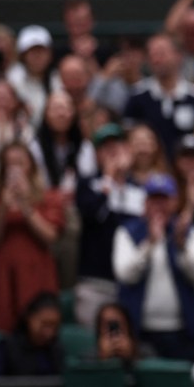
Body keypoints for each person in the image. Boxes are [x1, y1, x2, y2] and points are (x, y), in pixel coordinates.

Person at [112, 172, 194, 361]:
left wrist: (181, 246)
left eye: (164, 200)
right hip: (140, 330)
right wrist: (149, 245)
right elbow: (125, 275)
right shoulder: (127, 232)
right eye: (154, 200)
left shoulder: (189, 231)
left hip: (181, 331)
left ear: (173, 202)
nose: (159, 206)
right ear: (145, 202)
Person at [0, 141, 64, 333]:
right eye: (9, 164)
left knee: (36, 331)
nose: (14, 169)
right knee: (0, 330)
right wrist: (3, 207)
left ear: (31, 166)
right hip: (1, 275)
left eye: (19, 163)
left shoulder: (49, 198)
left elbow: (50, 237)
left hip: (36, 273)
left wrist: (26, 206)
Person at [74, 123, 146, 328]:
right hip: (95, 282)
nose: (113, 153)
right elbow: (92, 215)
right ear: (97, 154)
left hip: (130, 283)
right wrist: (108, 180)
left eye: (118, 147)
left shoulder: (140, 190)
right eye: (107, 148)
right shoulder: (88, 184)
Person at [123, 34, 194, 159]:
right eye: (152, 55)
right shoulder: (137, 96)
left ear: (178, 56)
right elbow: (128, 136)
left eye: (161, 53)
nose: (156, 60)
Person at [0, 291, 64, 375]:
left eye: (53, 326)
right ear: (29, 318)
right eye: (44, 324)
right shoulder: (8, 347)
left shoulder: (56, 350)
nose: (48, 331)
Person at [87, 302, 151, 369]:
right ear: (99, 328)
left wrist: (132, 355)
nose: (114, 332)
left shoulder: (146, 352)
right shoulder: (89, 358)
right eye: (108, 325)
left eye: (116, 325)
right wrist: (102, 358)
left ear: (127, 325)